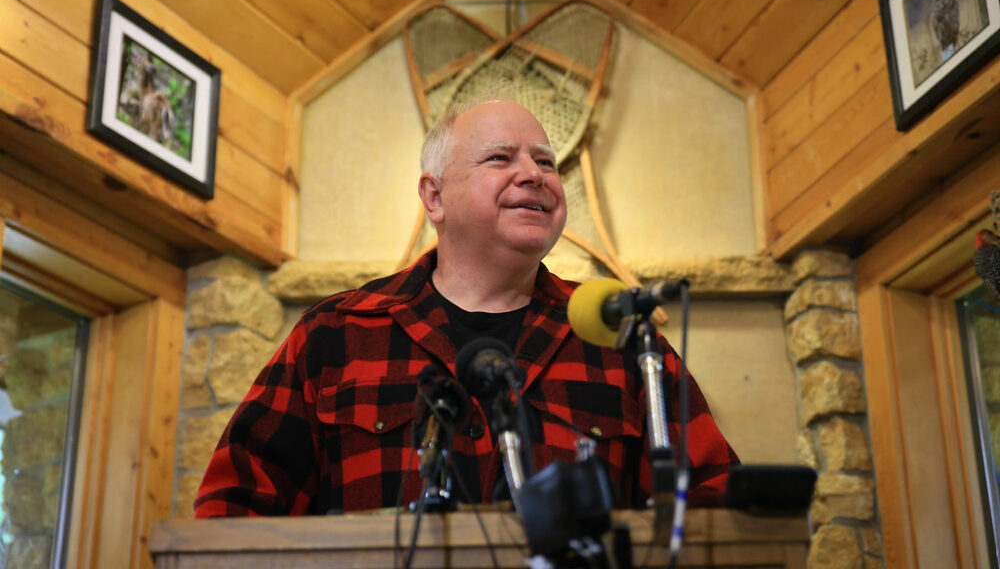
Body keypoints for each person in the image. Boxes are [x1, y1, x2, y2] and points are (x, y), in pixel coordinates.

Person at [194, 99, 738, 517]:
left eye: (545, 161)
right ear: (434, 198)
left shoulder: (621, 336)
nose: (535, 174)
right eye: (500, 158)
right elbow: (235, 507)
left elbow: (717, 501)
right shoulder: (335, 333)